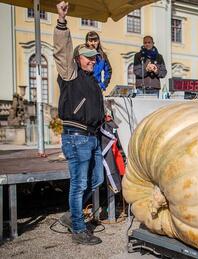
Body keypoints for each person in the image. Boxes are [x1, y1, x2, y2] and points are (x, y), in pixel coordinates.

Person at [54, 1, 104, 245]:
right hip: (76, 136)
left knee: (97, 180)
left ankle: (70, 215)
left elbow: (92, 106)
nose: (93, 60)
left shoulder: (91, 80)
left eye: (94, 58)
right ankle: (77, 228)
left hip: (92, 136)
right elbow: (62, 50)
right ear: (77, 59)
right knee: (79, 183)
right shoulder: (70, 73)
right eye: (88, 58)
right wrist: (62, 22)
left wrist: (105, 115)